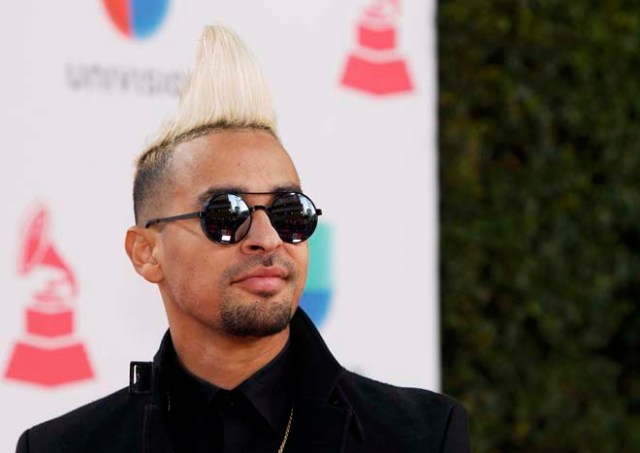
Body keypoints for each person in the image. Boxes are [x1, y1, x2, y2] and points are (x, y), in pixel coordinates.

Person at [16, 25, 470, 453]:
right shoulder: (63, 446)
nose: (267, 238)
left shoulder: (422, 435)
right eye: (226, 214)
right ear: (146, 252)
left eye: (289, 211)